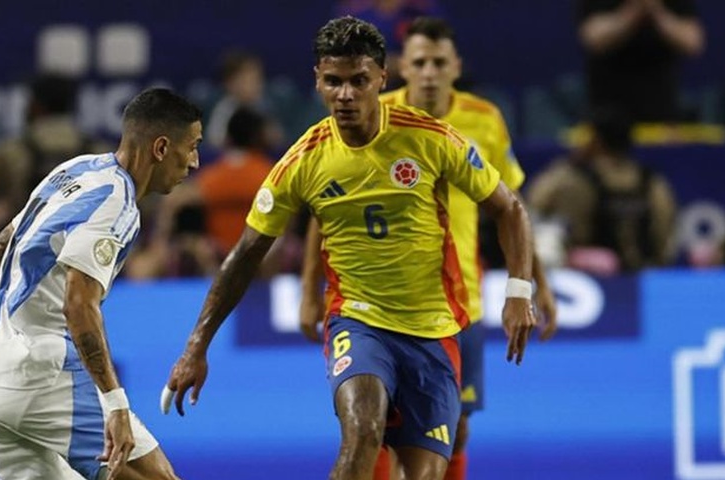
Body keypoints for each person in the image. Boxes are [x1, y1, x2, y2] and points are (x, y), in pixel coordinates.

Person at [163, 16, 537, 480]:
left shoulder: (430, 139)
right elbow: (245, 254)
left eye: (359, 81)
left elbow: (511, 209)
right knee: (363, 429)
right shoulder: (304, 160)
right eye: (333, 81)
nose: (345, 95)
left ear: (382, 78)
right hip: (358, 321)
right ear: (317, 80)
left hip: (435, 328)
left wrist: (520, 290)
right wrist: (196, 346)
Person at [297, 17, 558, 480]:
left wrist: (535, 286)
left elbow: (512, 207)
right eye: (420, 62)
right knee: (368, 424)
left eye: (439, 62)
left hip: (461, 299)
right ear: (398, 69)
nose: (430, 72)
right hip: (372, 300)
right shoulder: (372, 112)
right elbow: (327, 206)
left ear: (456, 66)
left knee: (453, 429)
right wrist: (307, 289)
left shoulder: (485, 120)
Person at [0, 87, 201, 480]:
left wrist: (24, 326)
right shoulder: (119, 205)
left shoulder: (75, 169)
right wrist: (115, 404)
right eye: (191, 147)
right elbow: (78, 305)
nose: (194, 161)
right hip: (44, 377)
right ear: (161, 147)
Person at [0, 73, 108, 283]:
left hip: (17, 272)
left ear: (34, 107)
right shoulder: (102, 158)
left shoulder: (4, 156)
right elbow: (142, 208)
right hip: (94, 271)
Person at [527, 107, 677, 273]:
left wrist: (571, 161)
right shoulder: (654, 183)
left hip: (589, 277)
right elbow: (665, 240)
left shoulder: (570, 179)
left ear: (595, 140)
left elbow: (533, 202)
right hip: (645, 274)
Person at [578, 0, 704, 122]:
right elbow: (594, 38)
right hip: (608, 112)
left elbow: (692, 42)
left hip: (661, 109)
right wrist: (634, 10)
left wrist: (656, 10)